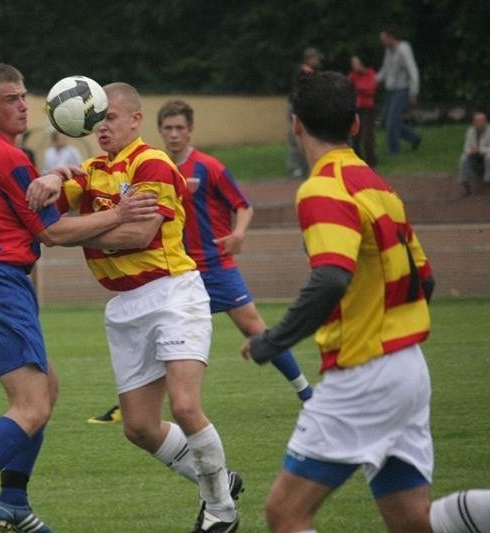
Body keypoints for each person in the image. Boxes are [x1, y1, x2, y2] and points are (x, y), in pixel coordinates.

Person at [240, 70, 490, 533]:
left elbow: (332, 276)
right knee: (414, 523)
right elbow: (426, 279)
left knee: (285, 513)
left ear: (296, 125)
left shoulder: (323, 187)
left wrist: (271, 342)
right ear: (355, 124)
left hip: (365, 372)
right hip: (408, 368)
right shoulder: (377, 184)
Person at [0, 62, 159, 533]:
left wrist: (59, 179)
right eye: (11, 98)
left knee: (47, 390)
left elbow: (30, 209)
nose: (23, 105)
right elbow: (53, 232)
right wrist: (119, 212)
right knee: (31, 406)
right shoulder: (9, 157)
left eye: (23, 95)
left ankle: (13, 501)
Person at [31, 82, 243, 532]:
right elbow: (49, 226)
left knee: (186, 407)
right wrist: (55, 178)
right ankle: (219, 481)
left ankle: (221, 511)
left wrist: (81, 229)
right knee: (140, 428)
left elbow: (138, 236)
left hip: (172, 294)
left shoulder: (153, 163)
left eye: (110, 117)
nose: (101, 126)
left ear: (134, 120)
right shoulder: (91, 169)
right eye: (96, 119)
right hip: (124, 306)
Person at [89, 99, 316, 424]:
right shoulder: (149, 165)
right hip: (170, 275)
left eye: (180, 128)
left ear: (190, 131)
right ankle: (128, 407)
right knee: (154, 338)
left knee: (254, 328)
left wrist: (238, 233)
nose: (174, 134)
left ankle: (306, 393)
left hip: (213, 266)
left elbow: (243, 205)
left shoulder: (208, 167)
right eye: (168, 128)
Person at [377, 27, 422, 154]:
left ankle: (394, 151)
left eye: (384, 39)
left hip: (402, 90)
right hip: (390, 90)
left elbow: (413, 71)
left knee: (392, 121)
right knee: (386, 119)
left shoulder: (403, 50)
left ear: (391, 38)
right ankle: (414, 137)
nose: (382, 42)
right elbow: (385, 69)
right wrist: (373, 80)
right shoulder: (388, 51)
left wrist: (414, 92)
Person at [287, 47, 323, 179]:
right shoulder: (305, 71)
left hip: (302, 107)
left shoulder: (309, 71)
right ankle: (295, 168)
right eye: (316, 58)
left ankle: (303, 167)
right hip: (297, 108)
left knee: (304, 138)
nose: (318, 60)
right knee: (295, 138)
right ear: (309, 59)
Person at [347, 54, 378, 167]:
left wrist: (359, 87)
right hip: (356, 108)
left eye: (355, 63)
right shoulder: (352, 75)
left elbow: (371, 89)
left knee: (368, 134)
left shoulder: (370, 73)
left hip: (368, 108)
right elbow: (349, 88)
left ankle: (371, 160)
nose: (354, 66)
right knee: (355, 134)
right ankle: (357, 159)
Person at [458, 111, 490, 196]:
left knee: (489, 157)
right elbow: (466, 148)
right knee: (464, 158)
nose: (479, 123)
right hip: (474, 157)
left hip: (486, 156)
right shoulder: (470, 132)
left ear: (485, 121)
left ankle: (487, 182)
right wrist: (471, 151)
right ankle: (465, 183)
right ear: (474, 122)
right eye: (477, 121)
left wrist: (479, 150)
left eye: (481, 121)